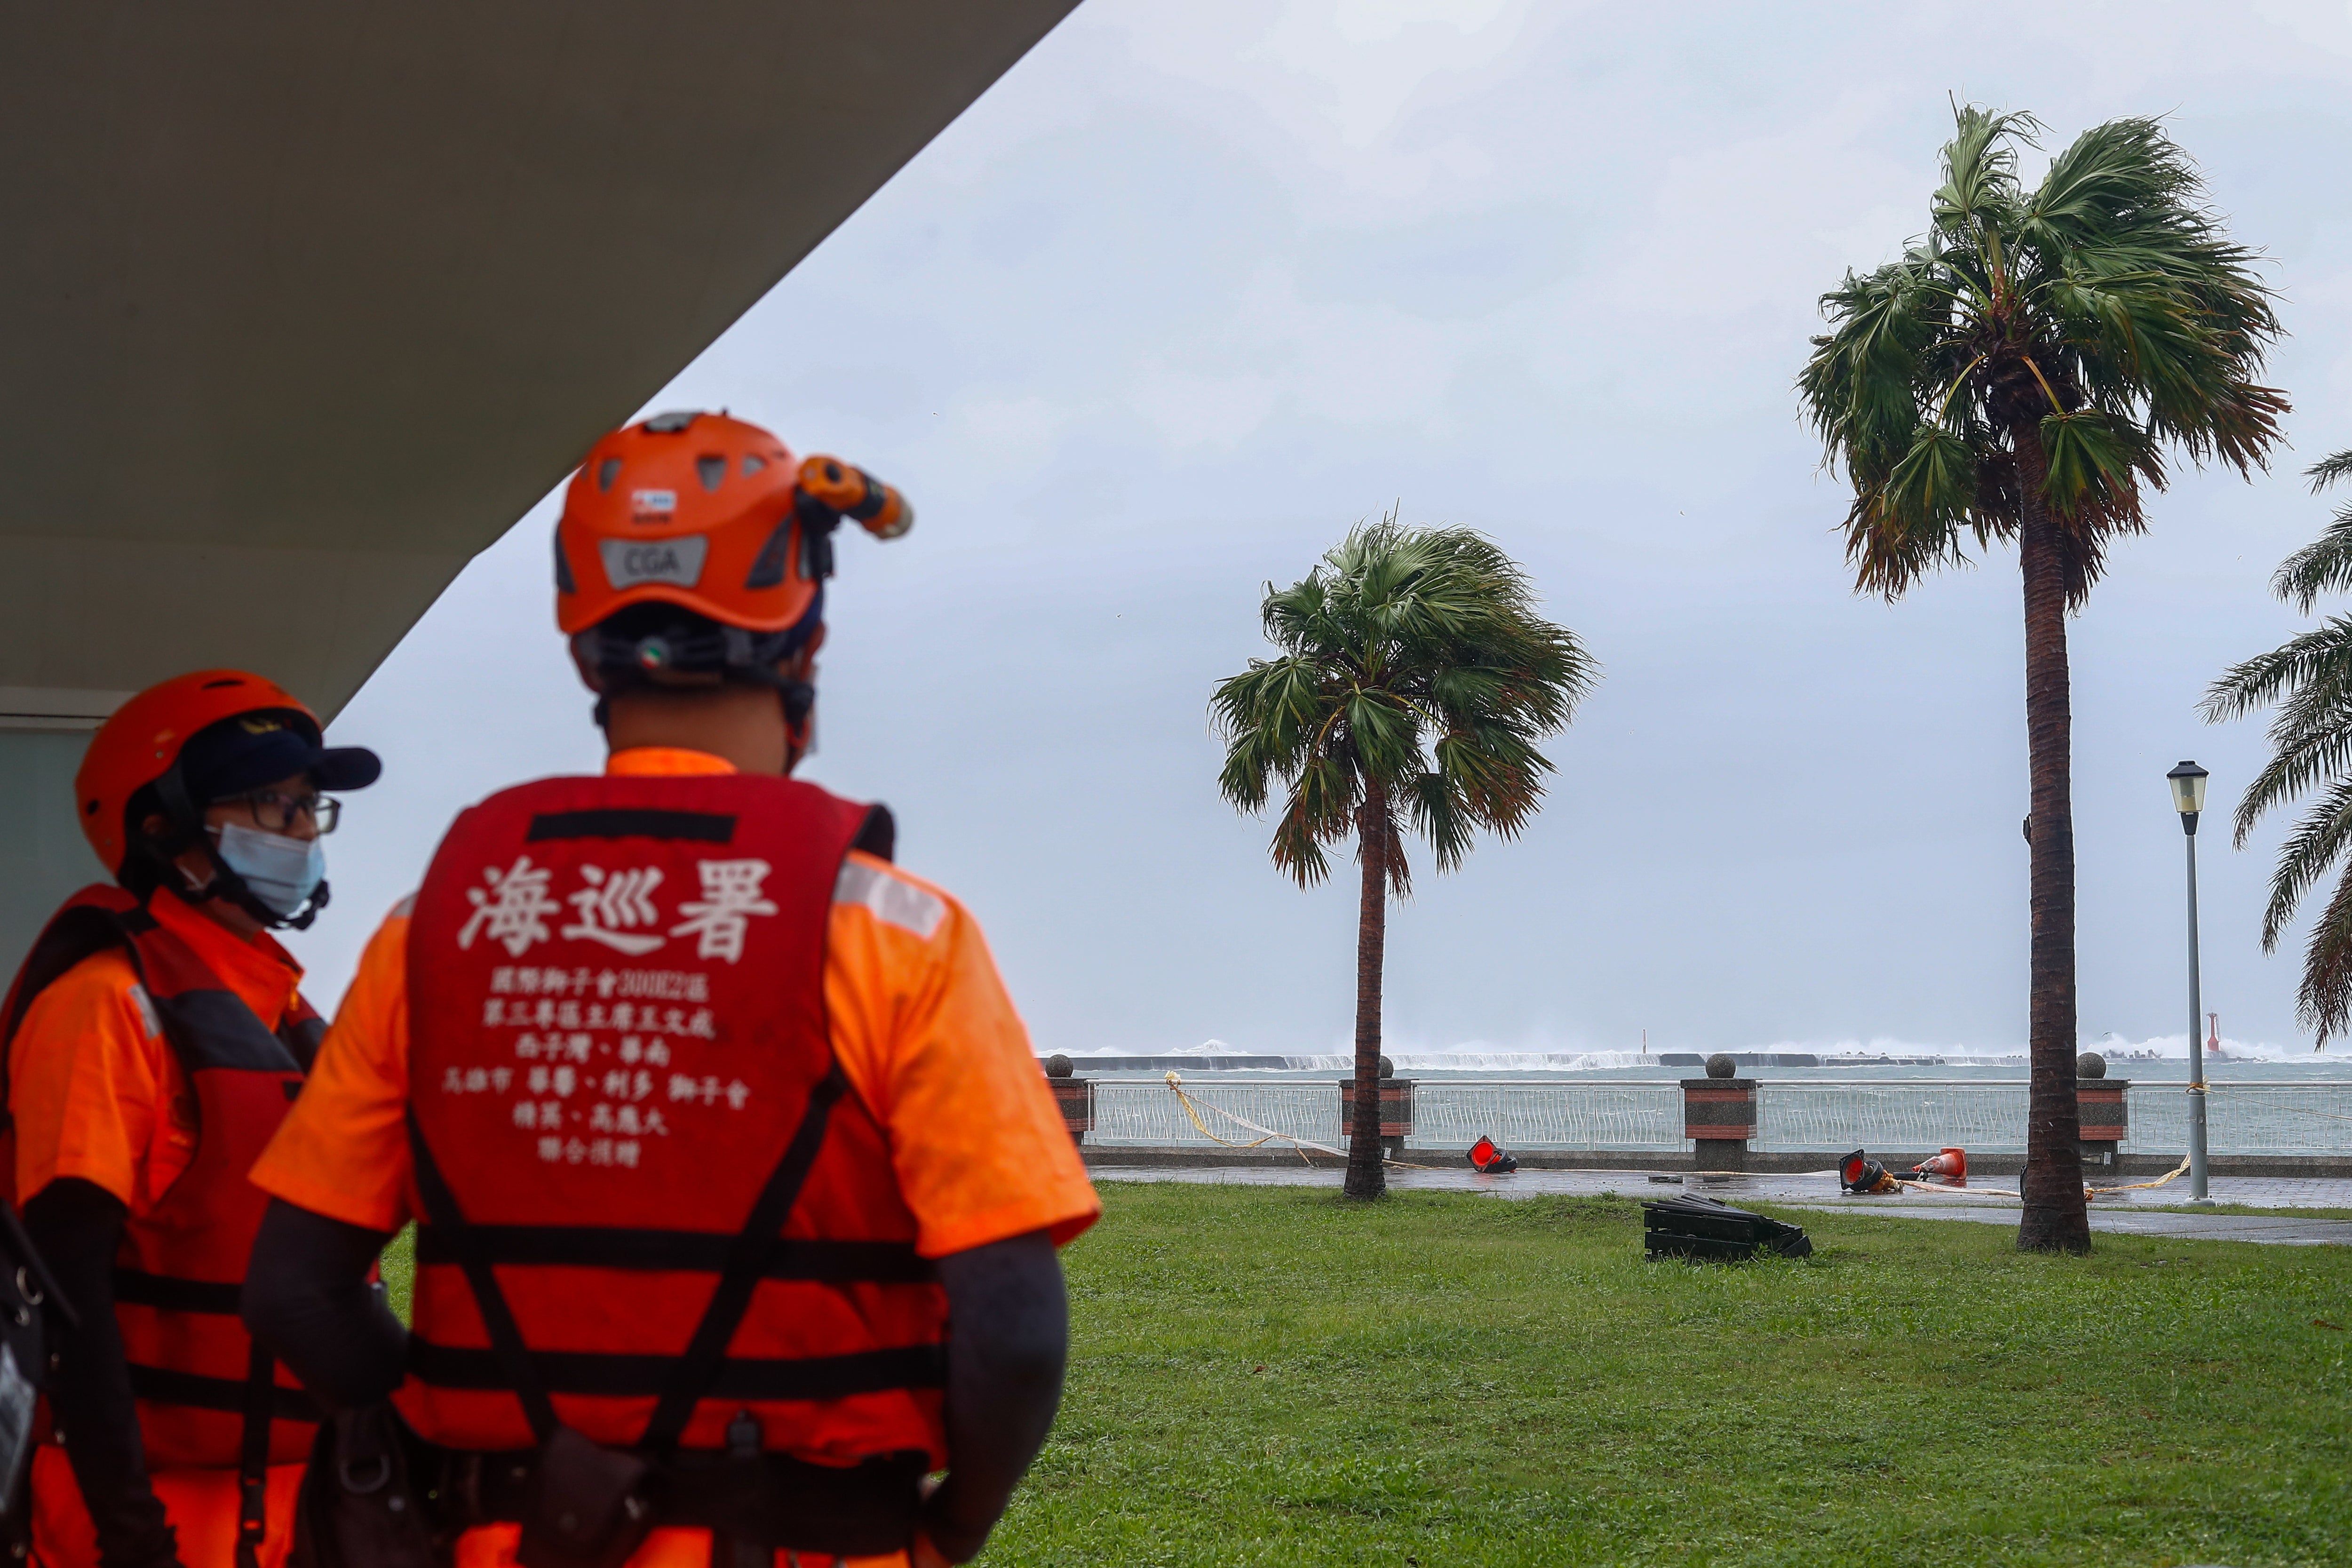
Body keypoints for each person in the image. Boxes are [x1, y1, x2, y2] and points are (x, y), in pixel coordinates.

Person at [241, 411, 1099, 1568]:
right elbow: (1013, 1330)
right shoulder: (895, 930)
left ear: (583, 642)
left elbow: (296, 1289)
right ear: (805, 636)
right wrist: (950, 1525)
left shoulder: (434, 924)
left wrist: (480, 1443)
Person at [0, 670, 383, 1568]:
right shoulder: (105, 1007)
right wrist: (134, 1535)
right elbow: (64, 1298)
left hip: (289, 1511)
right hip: (138, 1522)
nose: (299, 829)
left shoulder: (283, 1016)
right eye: (269, 803)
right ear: (164, 828)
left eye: (308, 807)